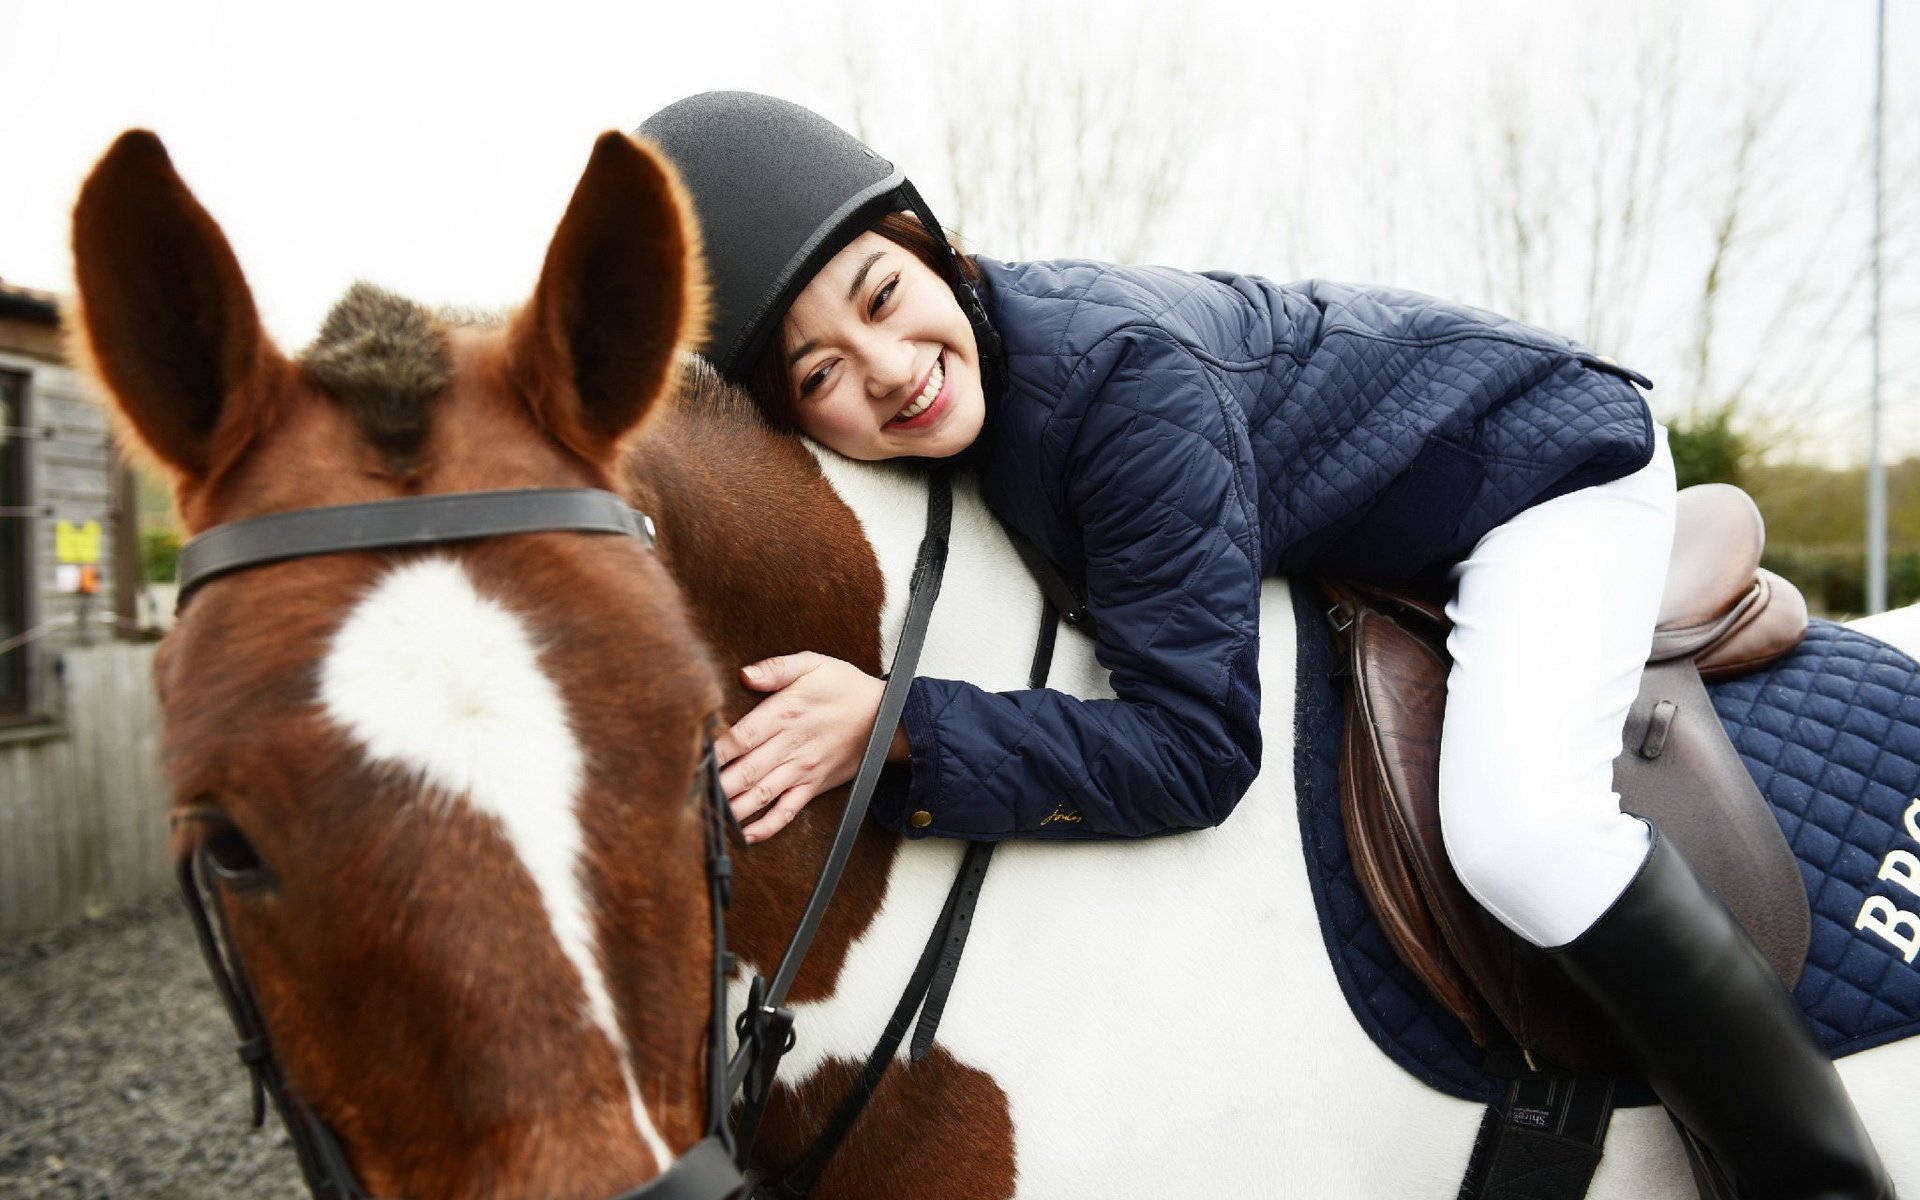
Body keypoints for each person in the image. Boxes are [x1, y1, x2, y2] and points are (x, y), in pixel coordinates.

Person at [639, 92, 1892, 1198]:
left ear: (931, 247)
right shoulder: (976, 394)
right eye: (819, 374)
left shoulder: (1114, 383)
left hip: (1541, 477)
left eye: (882, 296)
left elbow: (1193, 753)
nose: (889, 369)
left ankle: (1819, 1178)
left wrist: (894, 719)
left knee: (1527, 833)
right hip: (1399, 510)